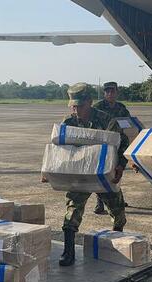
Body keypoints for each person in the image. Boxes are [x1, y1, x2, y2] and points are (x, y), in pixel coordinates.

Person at [50, 82, 129, 266]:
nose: (76, 110)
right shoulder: (68, 123)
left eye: (80, 106)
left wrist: (120, 167)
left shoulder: (106, 120)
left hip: (104, 175)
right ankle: (68, 251)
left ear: (90, 102)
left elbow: (123, 142)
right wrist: (51, 172)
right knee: (72, 210)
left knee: (118, 211)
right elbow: (57, 150)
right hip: (80, 175)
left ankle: (115, 245)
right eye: (73, 106)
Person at [92, 81, 130, 214]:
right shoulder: (97, 107)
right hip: (102, 144)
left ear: (117, 92)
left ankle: (117, 199)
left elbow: (129, 123)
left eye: (112, 91)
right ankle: (100, 202)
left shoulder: (121, 107)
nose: (110, 93)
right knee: (101, 172)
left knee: (116, 172)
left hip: (118, 143)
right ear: (104, 93)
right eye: (107, 91)